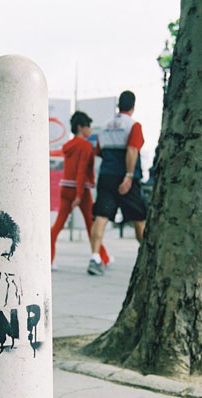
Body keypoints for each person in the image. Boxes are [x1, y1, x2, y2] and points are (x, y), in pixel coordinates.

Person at [88, 90, 147, 276]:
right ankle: (147, 258)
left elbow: (100, 152)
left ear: (118, 105)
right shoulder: (133, 125)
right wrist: (129, 176)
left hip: (106, 176)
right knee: (139, 218)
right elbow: (132, 150)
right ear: (133, 106)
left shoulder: (104, 126)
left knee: (101, 216)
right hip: (125, 178)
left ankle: (95, 257)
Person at [51, 111, 110, 269]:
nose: (90, 130)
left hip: (66, 188)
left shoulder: (68, 146)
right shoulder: (84, 146)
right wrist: (79, 194)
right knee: (91, 225)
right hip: (81, 191)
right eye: (88, 126)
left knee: (57, 226)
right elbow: (81, 171)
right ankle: (102, 258)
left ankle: (49, 259)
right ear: (80, 127)